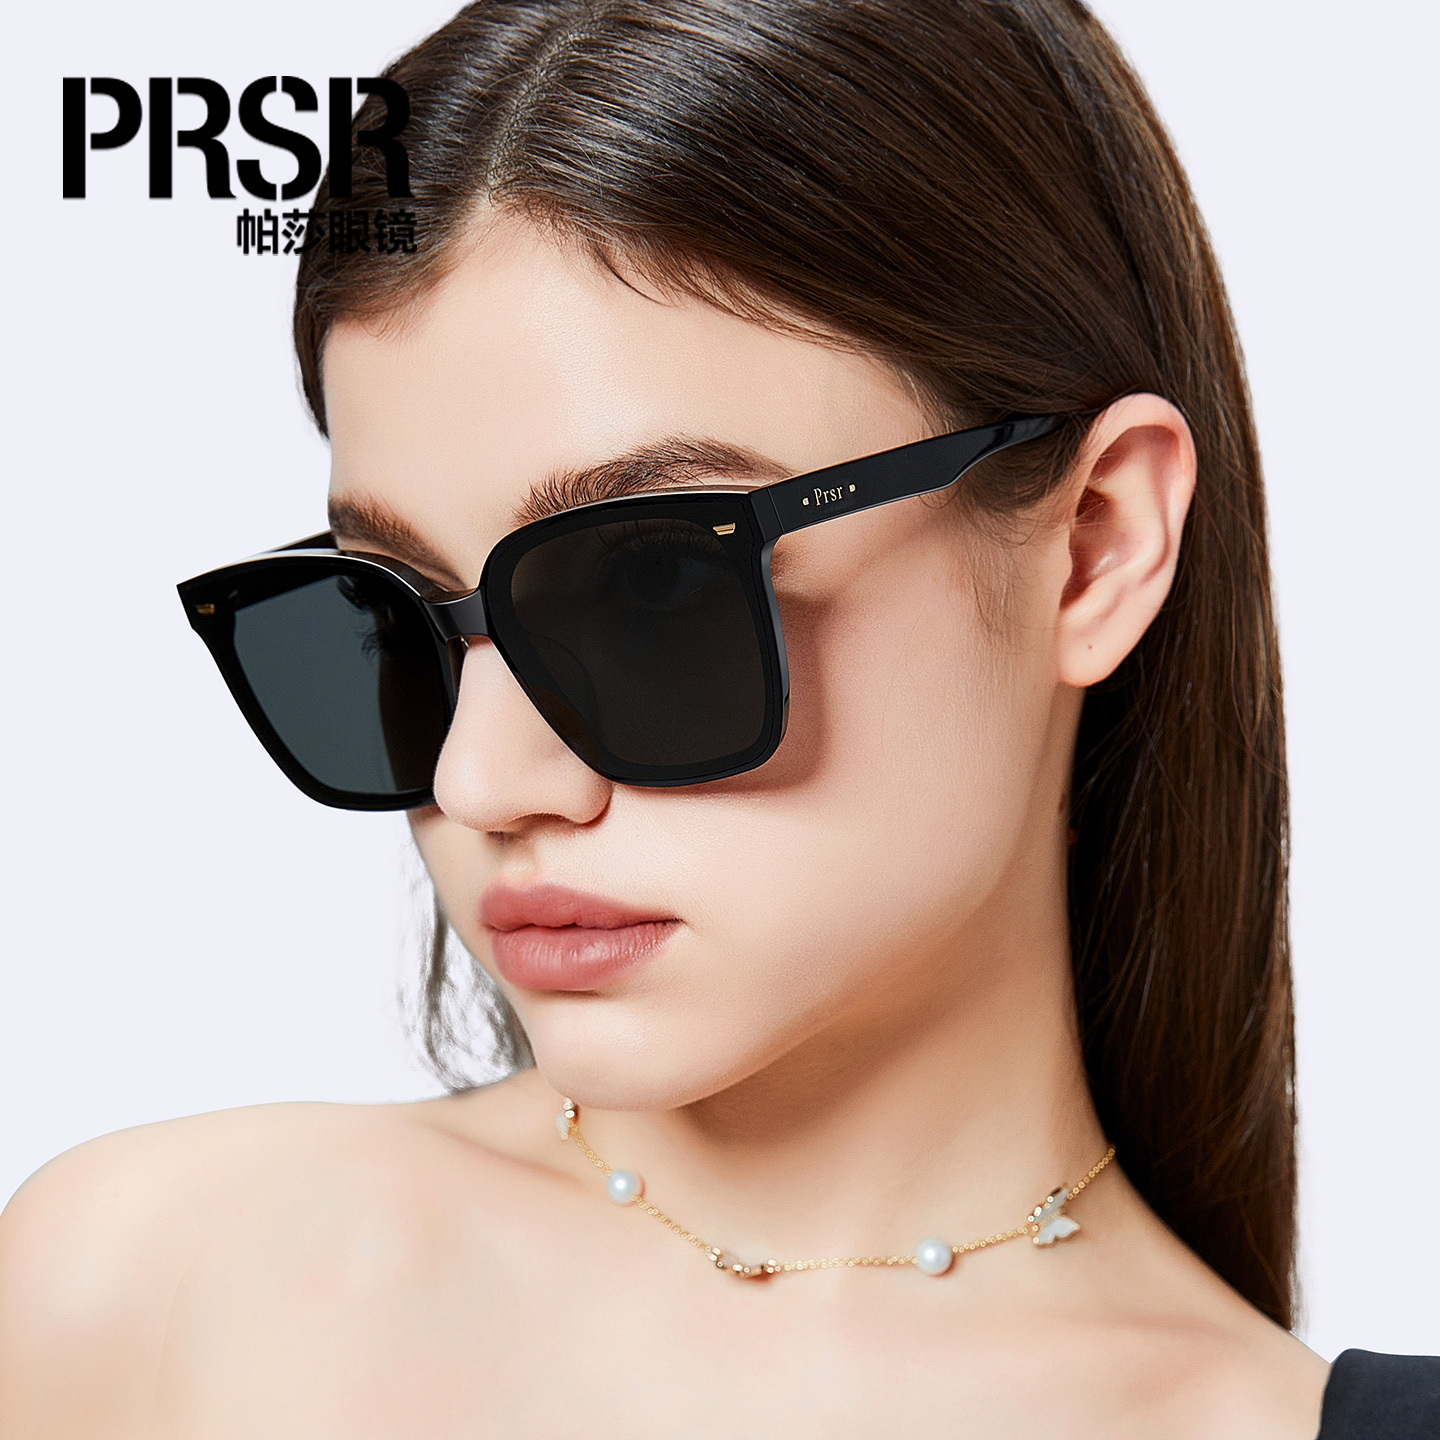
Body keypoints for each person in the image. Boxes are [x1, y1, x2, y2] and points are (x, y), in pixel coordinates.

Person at [2, 1, 1436, 1435]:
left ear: (1095, 546)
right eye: (394, 613)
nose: (481, 777)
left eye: (652, 587)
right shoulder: (143, 1293)